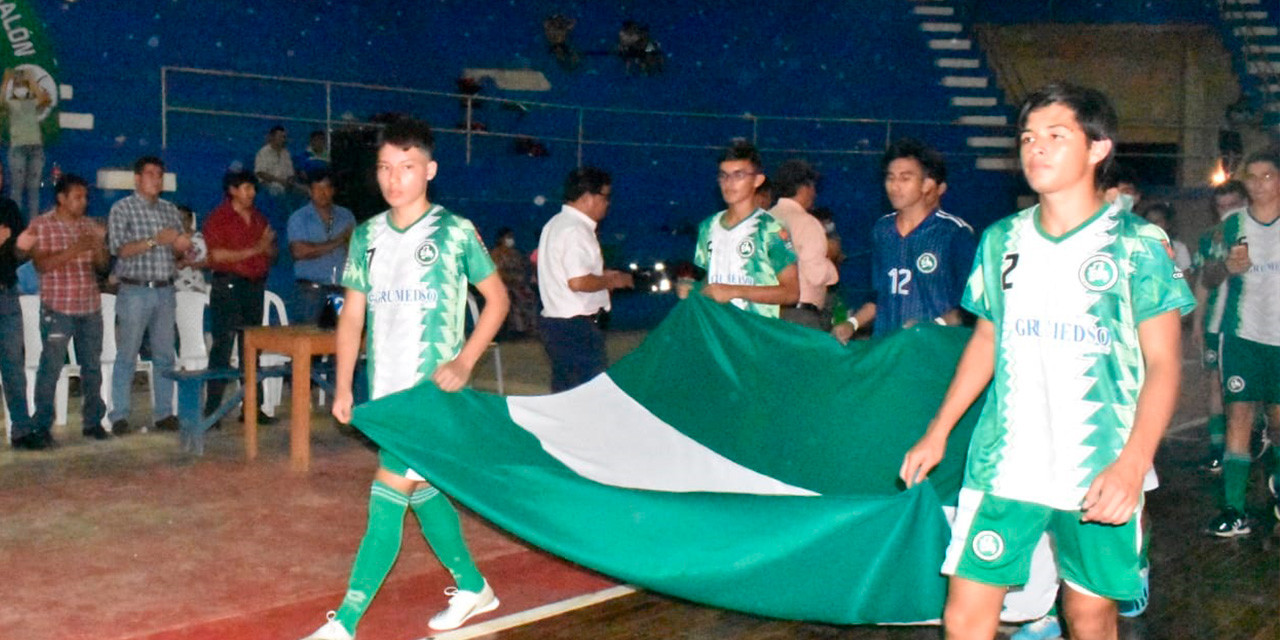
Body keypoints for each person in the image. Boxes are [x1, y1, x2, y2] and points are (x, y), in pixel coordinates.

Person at [899, 84, 1194, 640]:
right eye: (1028, 138)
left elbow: (1164, 363)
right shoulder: (1001, 240)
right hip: (1006, 458)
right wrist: (939, 430)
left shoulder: (1138, 245)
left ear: (1098, 148)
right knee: (964, 614)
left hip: (1099, 463)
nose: (1036, 149)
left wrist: (1133, 464)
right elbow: (987, 340)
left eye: (1056, 136)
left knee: (1087, 615)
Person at [302, 117, 510, 640]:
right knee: (421, 492)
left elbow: (498, 300)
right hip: (390, 395)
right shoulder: (366, 236)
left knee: (386, 495)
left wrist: (464, 360)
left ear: (429, 170)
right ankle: (473, 586)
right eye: (386, 169)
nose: (395, 180)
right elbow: (352, 316)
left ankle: (345, 622)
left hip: (433, 397)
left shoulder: (455, 231)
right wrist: (346, 384)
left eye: (408, 168)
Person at [1202, 149, 1280, 536]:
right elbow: (1210, 276)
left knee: (1278, 424)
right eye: (1253, 177)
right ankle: (1233, 508)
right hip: (1242, 336)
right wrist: (1226, 268)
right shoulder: (1232, 225)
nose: (1259, 184)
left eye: (1268, 176)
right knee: (1240, 416)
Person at [833, 138, 974, 342]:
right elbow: (879, 295)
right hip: (887, 349)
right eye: (890, 178)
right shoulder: (882, 230)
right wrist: (852, 323)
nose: (895, 186)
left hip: (934, 353)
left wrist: (932, 327)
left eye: (905, 178)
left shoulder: (954, 233)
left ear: (926, 184)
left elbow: (971, 307)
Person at [22, 174, 112, 448]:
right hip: (58, 307)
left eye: (85, 197)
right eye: (77, 197)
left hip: (89, 307)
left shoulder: (89, 226)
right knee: (51, 368)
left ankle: (93, 422)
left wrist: (98, 244)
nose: (83, 202)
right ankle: (41, 427)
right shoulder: (41, 225)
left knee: (92, 367)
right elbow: (42, 265)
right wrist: (75, 248)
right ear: (61, 198)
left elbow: (103, 267)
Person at [106, 156, 191, 435]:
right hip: (134, 290)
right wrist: (156, 240)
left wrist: (182, 246)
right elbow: (119, 249)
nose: (156, 179)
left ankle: (164, 413)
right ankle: (119, 415)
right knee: (127, 354)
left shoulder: (170, 211)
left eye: (160, 174)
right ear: (137, 179)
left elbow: (177, 251)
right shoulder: (122, 209)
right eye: (150, 173)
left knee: (165, 355)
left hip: (165, 289)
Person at [536, 167, 633, 392]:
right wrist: (612, 282)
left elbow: (567, 275)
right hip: (575, 328)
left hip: (558, 325)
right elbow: (578, 282)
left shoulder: (556, 224)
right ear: (588, 198)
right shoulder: (575, 229)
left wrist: (603, 276)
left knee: (567, 394)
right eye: (606, 196)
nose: (608, 203)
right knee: (589, 396)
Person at [684, 140, 798, 318]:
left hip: (755, 335)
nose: (729, 183)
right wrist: (693, 289)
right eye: (724, 176)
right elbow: (712, 281)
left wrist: (735, 291)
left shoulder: (771, 230)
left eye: (739, 175)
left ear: (757, 180)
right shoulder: (708, 227)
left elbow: (791, 292)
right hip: (718, 331)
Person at [202, 170, 278, 423]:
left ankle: (251, 409)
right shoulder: (219, 218)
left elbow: (272, 254)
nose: (252, 193)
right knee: (223, 347)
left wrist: (268, 248)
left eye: (253, 189)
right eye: (246, 188)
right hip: (228, 287)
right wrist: (256, 249)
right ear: (232, 190)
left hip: (254, 287)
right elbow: (218, 257)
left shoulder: (258, 218)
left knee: (251, 347)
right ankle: (212, 411)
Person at [1190, 180, 1249, 473]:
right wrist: (1198, 321)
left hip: (1252, 326)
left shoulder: (1262, 233)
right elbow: (1201, 280)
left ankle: (1255, 439)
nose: (1226, 211)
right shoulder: (1209, 239)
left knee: (1250, 393)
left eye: (1233, 205)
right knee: (1215, 382)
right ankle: (1217, 449)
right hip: (1217, 323)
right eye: (1221, 206)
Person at [769, 159, 838, 330]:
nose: (814, 194)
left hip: (768, 315)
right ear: (804, 188)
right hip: (800, 317)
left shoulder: (765, 219)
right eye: (813, 187)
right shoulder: (807, 223)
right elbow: (816, 275)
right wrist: (831, 263)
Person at [287, 169, 355, 324]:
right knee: (308, 339)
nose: (322, 193)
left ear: (333, 190)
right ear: (310, 191)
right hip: (310, 291)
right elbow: (299, 251)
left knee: (341, 340)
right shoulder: (299, 218)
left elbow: (354, 250)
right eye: (317, 188)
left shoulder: (346, 216)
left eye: (327, 188)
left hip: (341, 289)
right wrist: (338, 241)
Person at [0, 167, 31, 444]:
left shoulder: (8, 207)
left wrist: (22, 245)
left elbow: (20, 254)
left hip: (7, 293)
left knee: (13, 365)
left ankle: (21, 430)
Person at [2, 67, 52, 220]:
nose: (20, 87)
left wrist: (31, 80)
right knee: (16, 190)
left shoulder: (33, 101)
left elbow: (44, 99)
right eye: (18, 85)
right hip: (17, 149)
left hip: (36, 148)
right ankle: (14, 225)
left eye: (22, 84)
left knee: (33, 190)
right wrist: (6, 79)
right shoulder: (10, 103)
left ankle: (33, 228)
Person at [490, 227, 538, 336]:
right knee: (515, 299)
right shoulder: (496, 254)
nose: (511, 240)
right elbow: (497, 272)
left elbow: (524, 267)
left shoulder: (516, 253)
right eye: (508, 237)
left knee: (530, 297)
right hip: (506, 285)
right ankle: (518, 329)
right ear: (502, 239)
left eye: (511, 237)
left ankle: (529, 328)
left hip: (519, 285)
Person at [1141, 202, 1191, 271]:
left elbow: (1185, 276)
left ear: (1168, 224)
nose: (1153, 225)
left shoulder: (1179, 248)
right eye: (1149, 221)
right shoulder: (1139, 248)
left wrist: (1171, 274)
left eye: (1157, 221)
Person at [174, 205, 209, 294]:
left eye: (183, 219)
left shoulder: (198, 239)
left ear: (190, 221)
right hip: (170, 289)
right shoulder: (169, 237)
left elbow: (183, 262)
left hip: (192, 287)